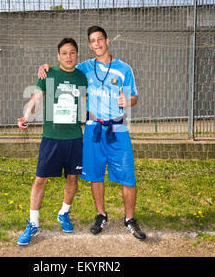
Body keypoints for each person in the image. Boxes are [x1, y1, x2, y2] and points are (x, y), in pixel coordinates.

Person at [38, 26, 146, 240]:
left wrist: (129, 101)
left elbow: (134, 96)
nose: (97, 44)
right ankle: (101, 215)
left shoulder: (124, 68)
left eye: (100, 39)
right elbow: (65, 67)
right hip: (93, 127)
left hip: (117, 128)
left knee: (128, 176)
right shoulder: (85, 68)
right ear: (89, 45)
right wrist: (45, 67)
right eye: (92, 41)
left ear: (107, 41)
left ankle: (129, 219)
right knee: (95, 175)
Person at [17, 37, 87, 246]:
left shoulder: (82, 77)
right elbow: (36, 98)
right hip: (51, 137)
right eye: (64, 53)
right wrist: (26, 117)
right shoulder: (49, 74)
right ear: (58, 56)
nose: (68, 56)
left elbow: (85, 104)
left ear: (77, 55)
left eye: (72, 52)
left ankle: (64, 213)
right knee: (40, 180)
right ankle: (34, 223)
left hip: (74, 138)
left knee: (73, 178)